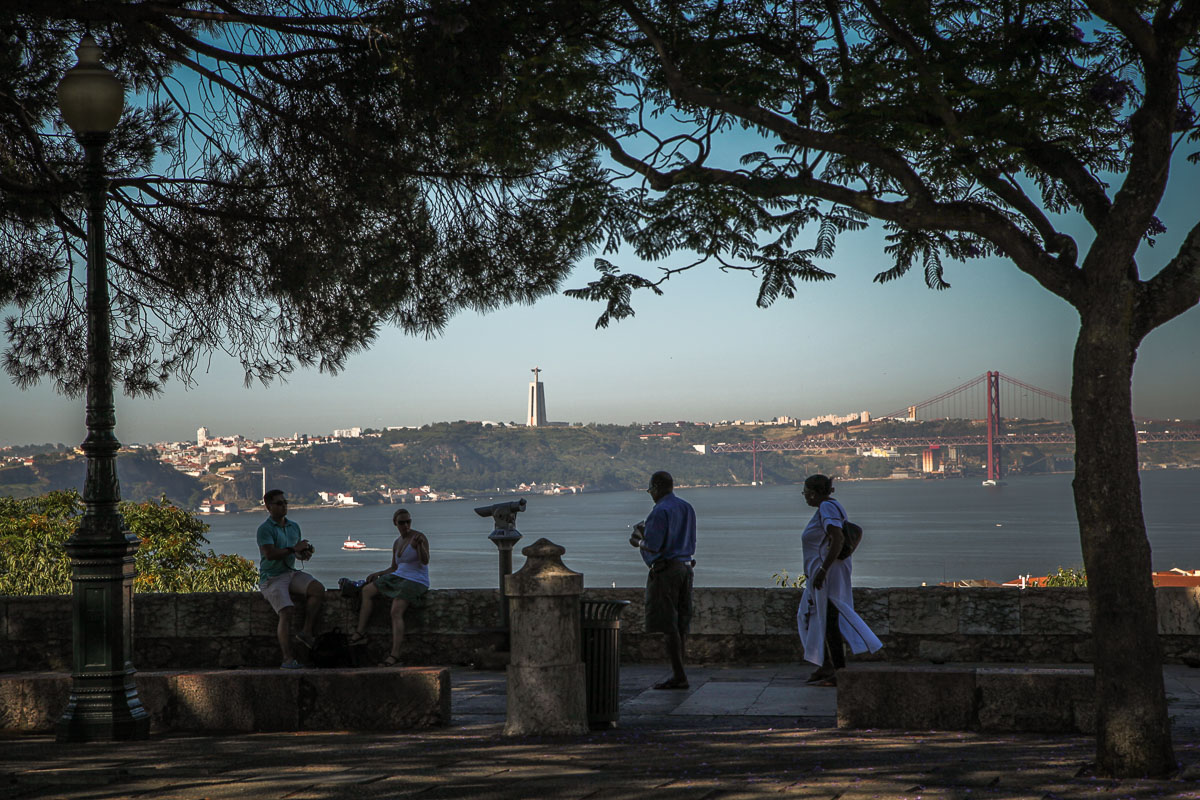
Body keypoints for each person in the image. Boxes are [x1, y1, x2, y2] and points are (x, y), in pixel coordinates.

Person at [797, 474, 882, 686]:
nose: (805, 496)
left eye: (805, 492)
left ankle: (839, 671)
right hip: (823, 574)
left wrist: (823, 570)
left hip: (828, 575)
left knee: (829, 621)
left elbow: (838, 538)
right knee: (814, 617)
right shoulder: (829, 507)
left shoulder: (827, 508)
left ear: (814, 493)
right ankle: (826, 665)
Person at [629, 470, 697, 690]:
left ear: (657, 487)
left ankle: (678, 675)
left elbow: (653, 545)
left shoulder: (660, 511)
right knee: (681, 623)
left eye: (650, 490)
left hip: (666, 570)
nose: (651, 494)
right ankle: (681, 671)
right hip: (686, 568)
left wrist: (638, 540)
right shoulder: (686, 508)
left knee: (669, 625)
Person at [348, 507, 430, 666]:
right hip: (398, 576)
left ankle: (395, 654)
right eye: (402, 522)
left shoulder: (419, 537)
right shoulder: (397, 542)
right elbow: (394, 567)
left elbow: (425, 561)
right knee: (367, 590)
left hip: (416, 579)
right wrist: (379, 573)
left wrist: (419, 546)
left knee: (395, 611)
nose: (406, 525)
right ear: (395, 523)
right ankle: (360, 632)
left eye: (408, 521)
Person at [256, 489, 324, 669]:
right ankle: (287, 659)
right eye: (279, 503)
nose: (284, 505)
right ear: (268, 507)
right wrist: (294, 549)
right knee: (286, 612)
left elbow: (296, 553)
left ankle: (306, 631)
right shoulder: (265, 529)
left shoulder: (294, 526)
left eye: (285, 502)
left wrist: (303, 553)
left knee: (318, 589)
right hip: (271, 577)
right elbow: (270, 554)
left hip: (290, 572)